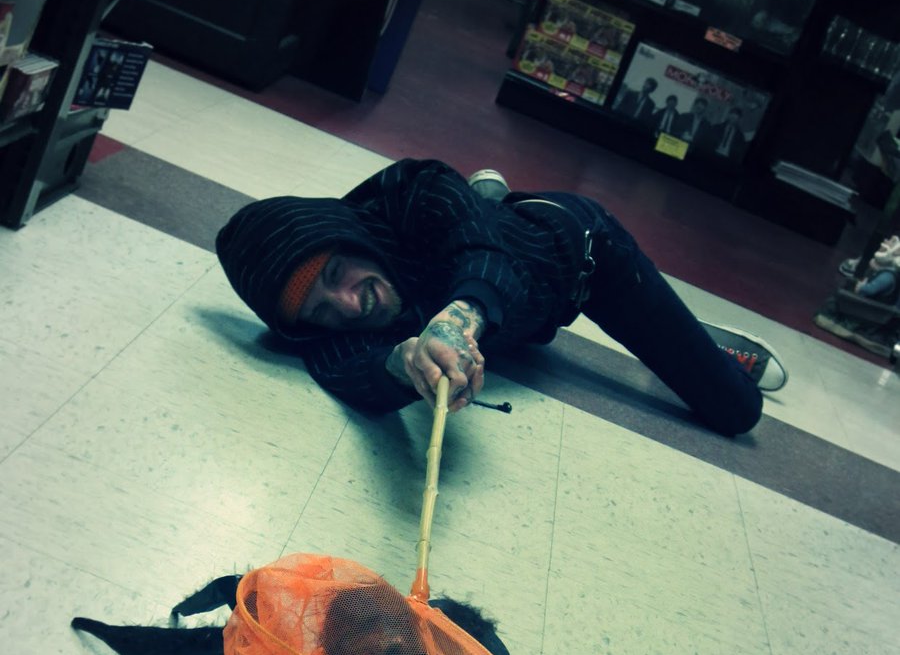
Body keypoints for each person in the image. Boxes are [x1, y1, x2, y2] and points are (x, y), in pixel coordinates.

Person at [215, 158, 785, 436]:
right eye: (320, 308)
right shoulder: (323, 331)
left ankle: (707, 346)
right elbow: (353, 374)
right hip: (514, 322)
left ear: (347, 234)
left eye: (338, 271)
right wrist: (401, 360)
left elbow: (485, 254)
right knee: (484, 243)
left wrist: (457, 320)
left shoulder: (413, 192)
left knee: (736, 411)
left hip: (577, 259)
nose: (348, 304)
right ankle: (490, 200)